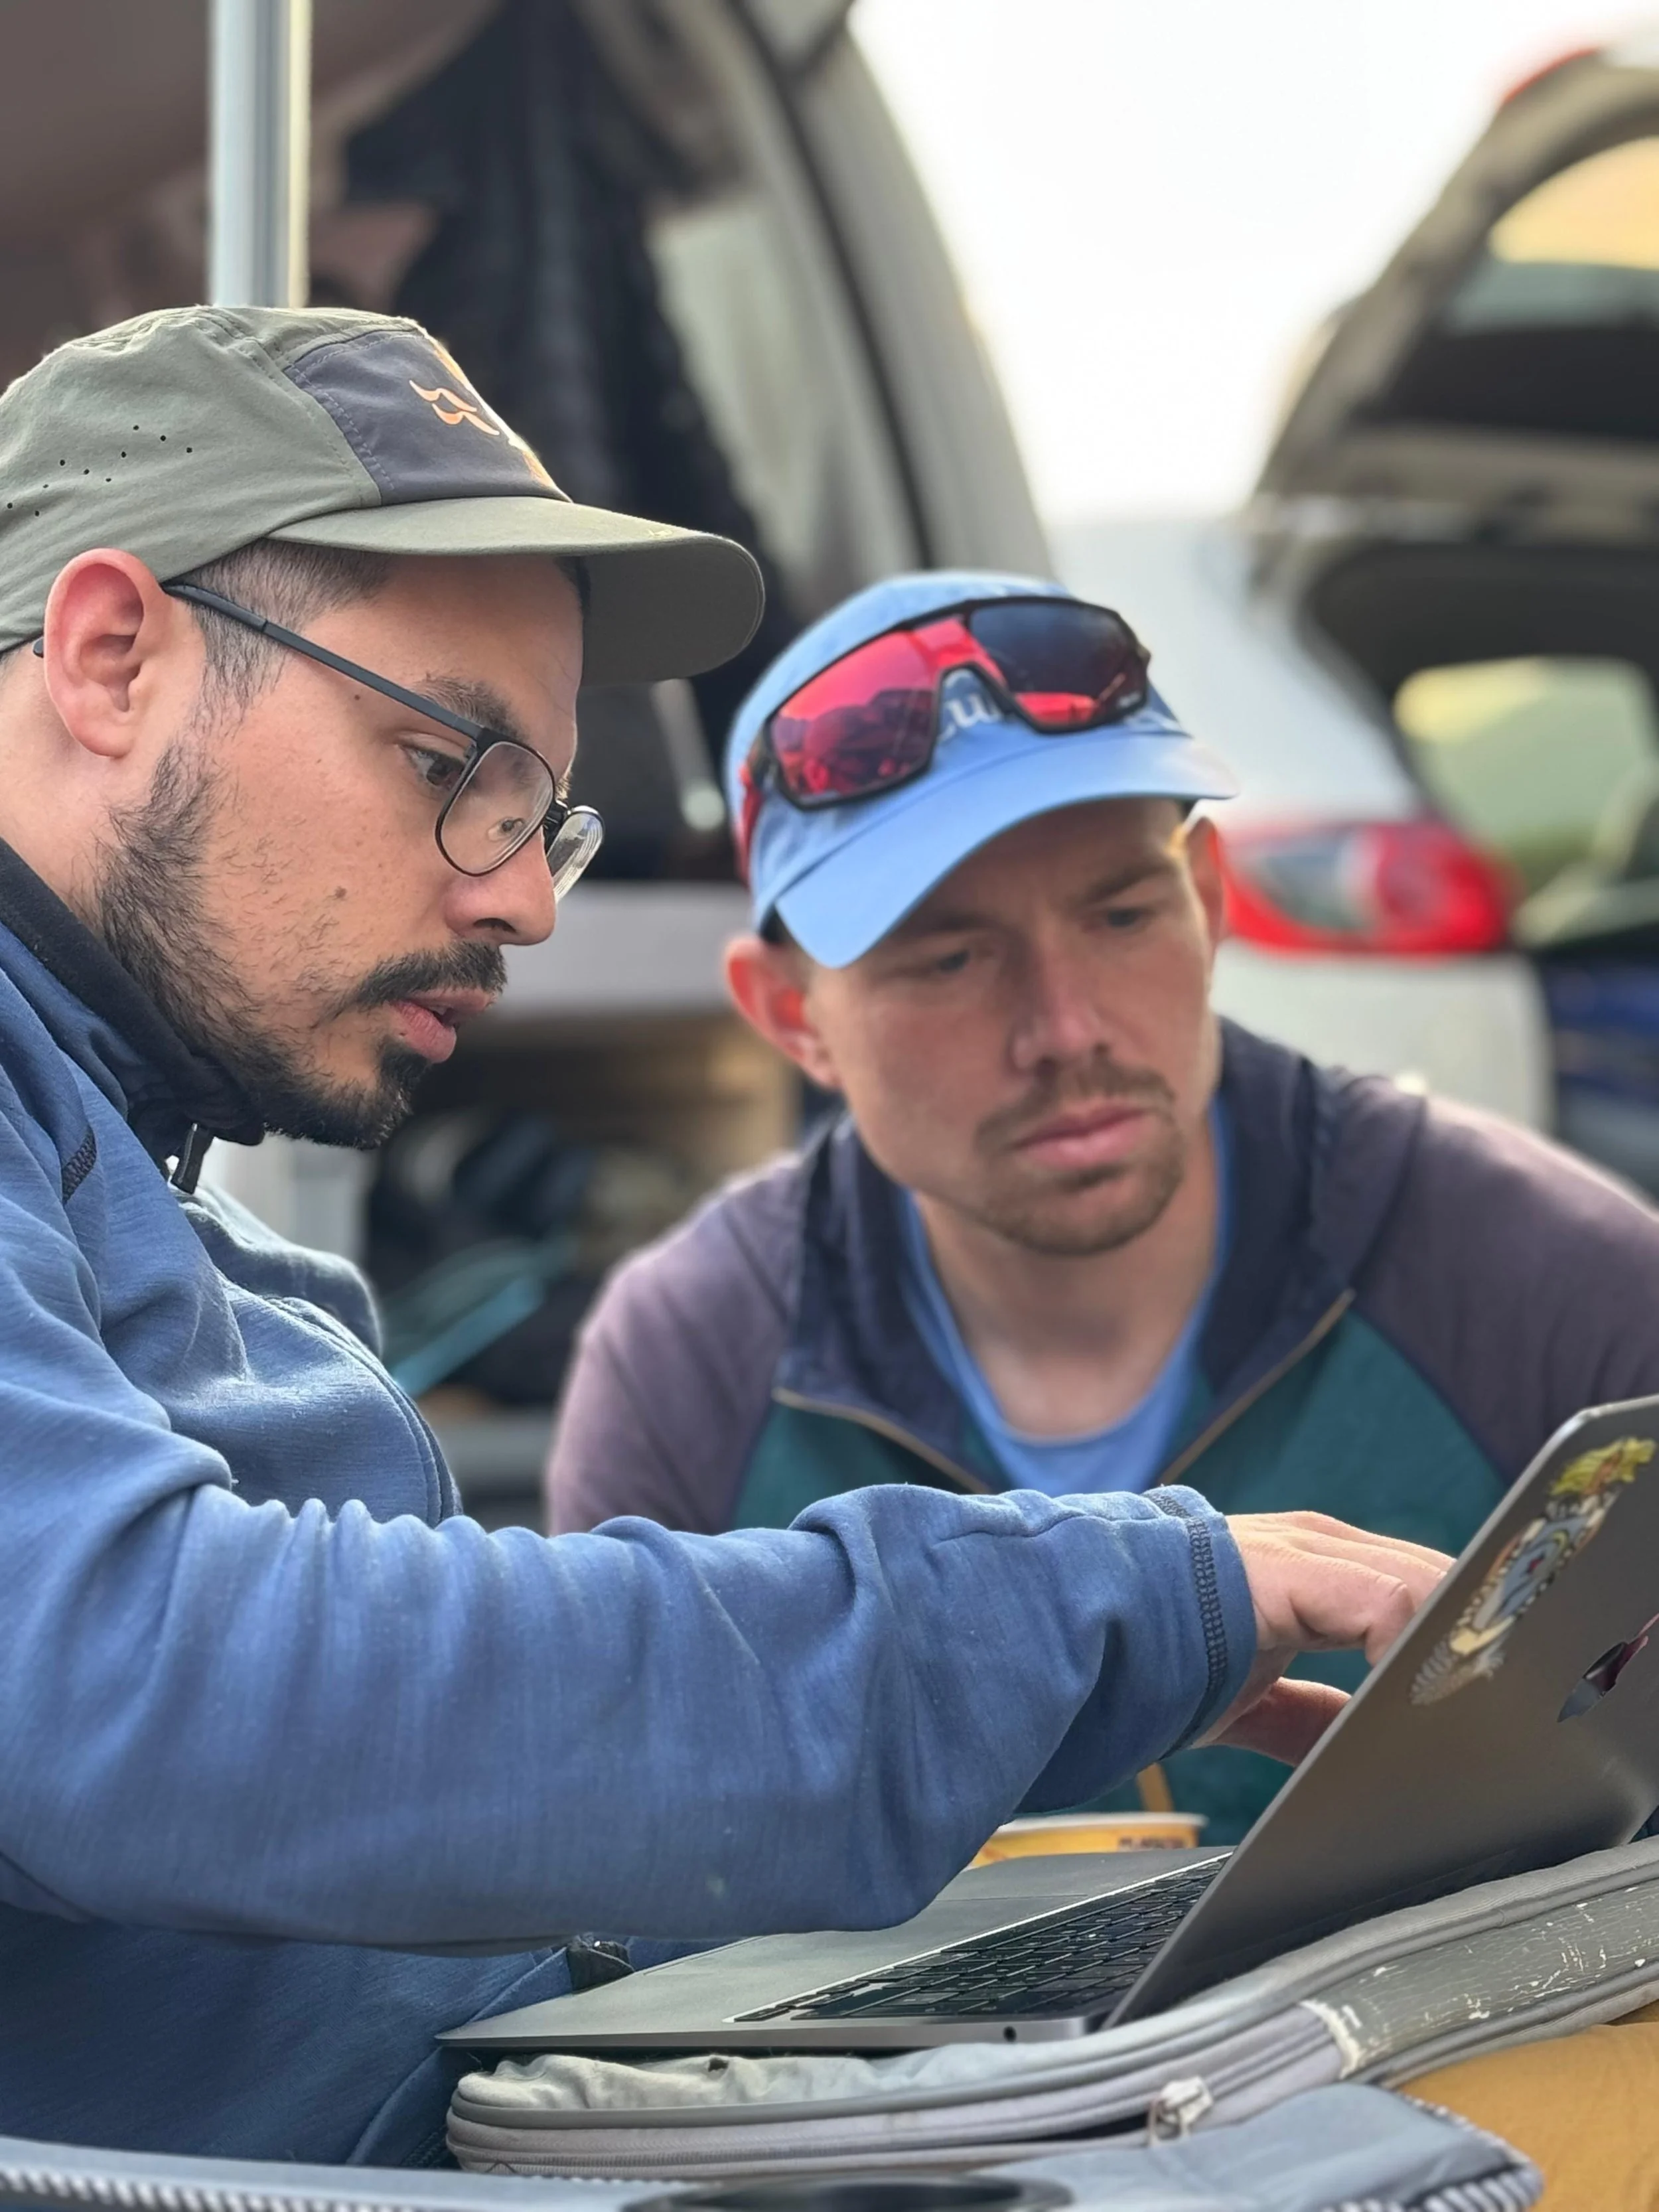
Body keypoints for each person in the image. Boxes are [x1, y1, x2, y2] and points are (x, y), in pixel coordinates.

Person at [0, 309, 1445, 2167]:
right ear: (113, 654)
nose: (516, 892)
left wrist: (1041, 1793)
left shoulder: (168, 1205)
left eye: (545, 814)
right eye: (453, 762)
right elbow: (142, 1692)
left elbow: (397, 1850)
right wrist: (1066, 1608)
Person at [548, 569, 1659, 1842]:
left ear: (1211, 900)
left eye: (1123, 913)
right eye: (951, 958)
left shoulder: (1546, 1285)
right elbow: (627, 1878)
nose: (1065, 1030)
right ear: (793, 1016)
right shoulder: (694, 1362)